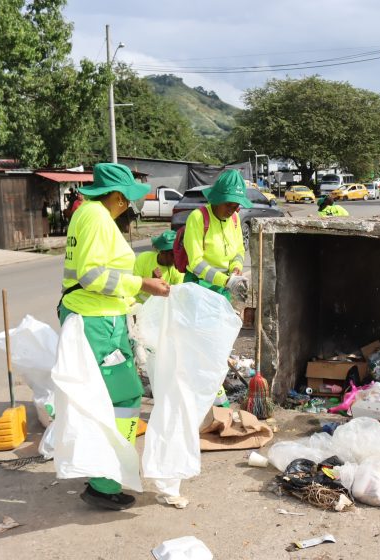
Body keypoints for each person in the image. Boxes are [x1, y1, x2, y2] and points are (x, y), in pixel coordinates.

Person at [59, 162, 170, 511]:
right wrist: (141, 284)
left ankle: (108, 470)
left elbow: (101, 275)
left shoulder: (91, 215)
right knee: (122, 397)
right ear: (120, 197)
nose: (132, 206)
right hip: (96, 320)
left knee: (115, 398)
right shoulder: (95, 216)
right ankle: (104, 479)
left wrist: (138, 292)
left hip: (100, 317)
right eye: (130, 199)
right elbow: (93, 275)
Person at [183, 169, 249, 302]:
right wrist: (225, 280)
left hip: (224, 286)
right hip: (199, 286)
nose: (231, 210)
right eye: (228, 204)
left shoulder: (235, 218)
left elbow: (239, 250)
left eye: (235, 206)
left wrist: (236, 268)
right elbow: (196, 262)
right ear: (216, 200)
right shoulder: (198, 217)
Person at [133, 229, 183, 303]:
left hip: (162, 307)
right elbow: (133, 287)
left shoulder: (178, 269)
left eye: (177, 254)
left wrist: (158, 283)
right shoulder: (143, 258)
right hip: (139, 305)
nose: (175, 259)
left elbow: (176, 296)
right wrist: (151, 283)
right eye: (173, 255)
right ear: (162, 252)